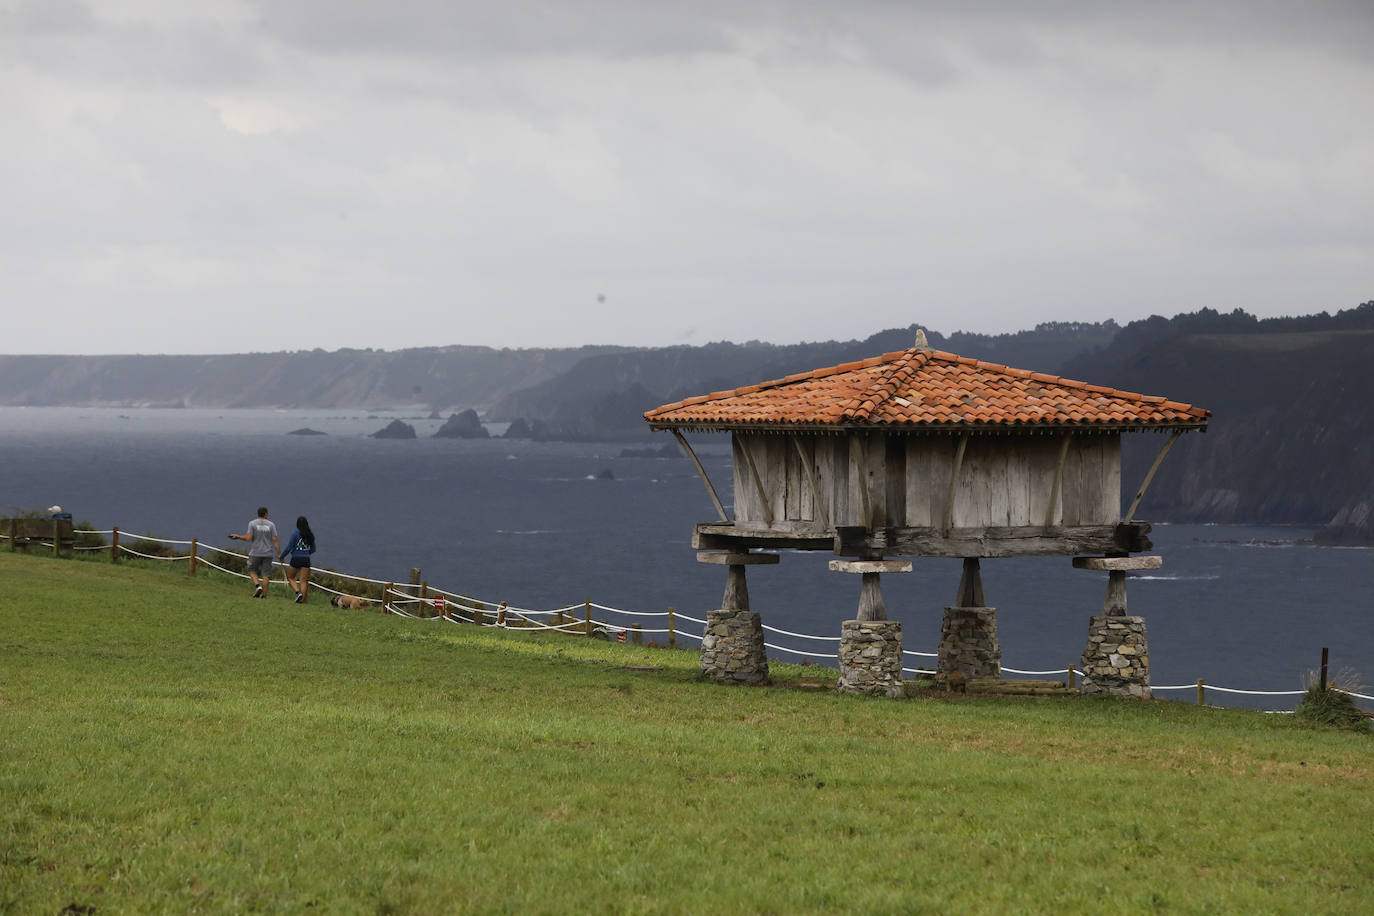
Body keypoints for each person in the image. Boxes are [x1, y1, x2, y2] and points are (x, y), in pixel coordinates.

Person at [229, 506, 280, 598]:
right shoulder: (271, 525)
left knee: (252, 570)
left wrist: (238, 537)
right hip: (268, 553)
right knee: (266, 574)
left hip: (255, 552)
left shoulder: (252, 523)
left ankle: (257, 586)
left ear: (258, 514)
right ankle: (264, 596)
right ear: (266, 514)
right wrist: (279, 553)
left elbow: (248, 538)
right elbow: (275, 539)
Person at [280, 516, 317, 604]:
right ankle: (303, 601)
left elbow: (289, 547)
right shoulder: (310, 534)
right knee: (304, 581)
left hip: (296, 558)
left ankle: (298, 593)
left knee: (290, 577)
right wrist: (306, 554)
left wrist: (282, 556)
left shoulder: (295, 534)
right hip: (306, 559)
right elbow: (313, 549)